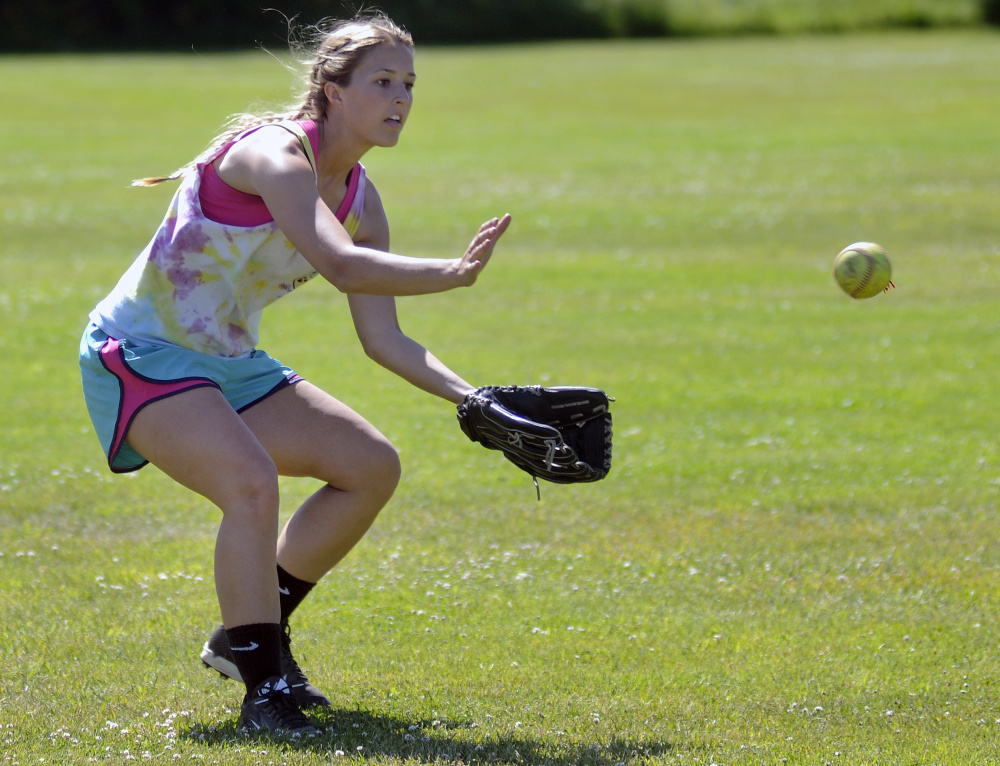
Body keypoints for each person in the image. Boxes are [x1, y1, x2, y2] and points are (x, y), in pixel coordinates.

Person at [79, 12, 510, 737]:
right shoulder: (274, 155)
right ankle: (264, 684)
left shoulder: (363, 200)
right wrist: (455, 273)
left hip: (227, 363)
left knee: (369, 465)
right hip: (140, 353)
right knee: (251, 481)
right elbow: (340, 264)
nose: (400, 96)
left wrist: (478, 399)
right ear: (333, 91)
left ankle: (244, 639)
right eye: (381, 81)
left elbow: (384, 338)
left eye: (408, 83)